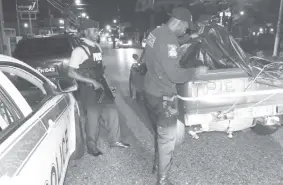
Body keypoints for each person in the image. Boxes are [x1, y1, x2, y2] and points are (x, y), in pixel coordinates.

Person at [141, 7, 207, 185]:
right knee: (168, 140)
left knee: (160, 133)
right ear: (178, 22)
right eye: (186, 27)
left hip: (150, 90)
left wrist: (190, 38)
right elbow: (175, 76)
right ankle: (162, 180)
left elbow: (171, 42)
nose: (187, 30)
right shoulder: (169, 42)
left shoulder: (156, 32)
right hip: (164, 96)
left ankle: (157, 165)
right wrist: (196, 71)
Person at [67, 20, 129, 157]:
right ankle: (91, 147)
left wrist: (108, 85)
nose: (97, 33)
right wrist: (90, 81)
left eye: (97, 30)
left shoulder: (97, 47)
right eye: (94, 31)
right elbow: (71, 72)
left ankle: (115, 140)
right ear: (86, 32)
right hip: (88, 89)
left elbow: (100, 69)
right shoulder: (79, 51)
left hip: (101, 86)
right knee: (93, 118)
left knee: (112, 111)